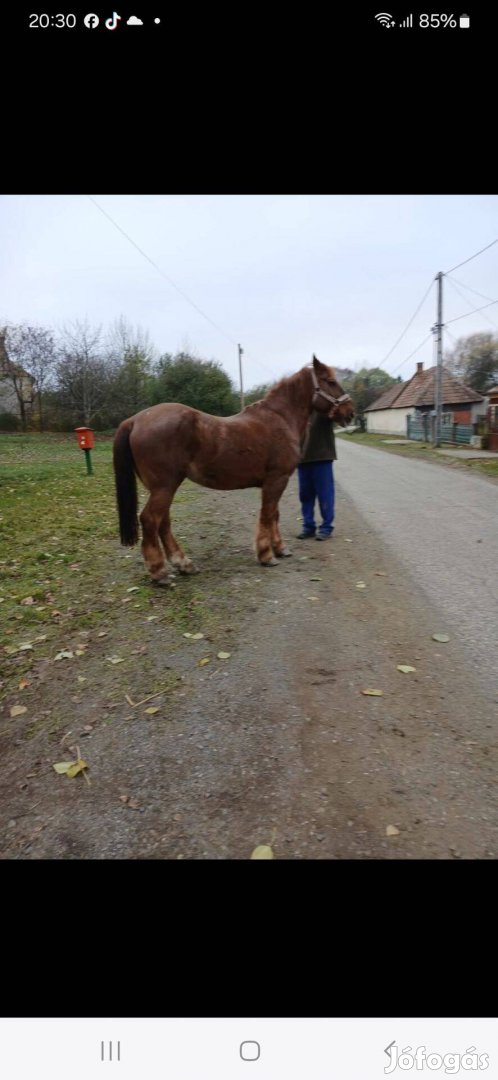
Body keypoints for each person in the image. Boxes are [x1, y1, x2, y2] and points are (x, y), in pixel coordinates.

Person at [296, 412, 336, 540]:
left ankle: (326, 527)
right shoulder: (299, 407)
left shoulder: (325, 404)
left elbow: (343, 417)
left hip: (322, 457)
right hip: (302, 459)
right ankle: (308, 527)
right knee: (305, 495)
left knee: (325, 495)